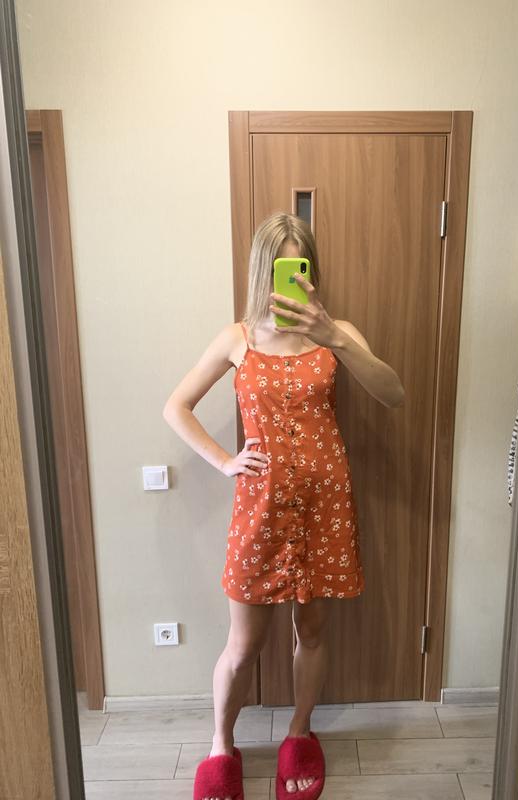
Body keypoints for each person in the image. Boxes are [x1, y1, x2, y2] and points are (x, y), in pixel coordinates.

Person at [163, 212, 404, 800]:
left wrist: (335, 337)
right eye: (280, 266)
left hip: (325, 507)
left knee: (312, 631)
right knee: (243, 644)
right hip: (261, 508)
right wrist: (225, 461)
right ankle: (221, 745)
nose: (292, 278)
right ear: (262, 271)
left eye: (300, 265)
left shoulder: (336, 333)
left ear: (311, 270)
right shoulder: (237, 339)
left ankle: (299, 733)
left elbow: (393, 394)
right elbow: (177, 407)